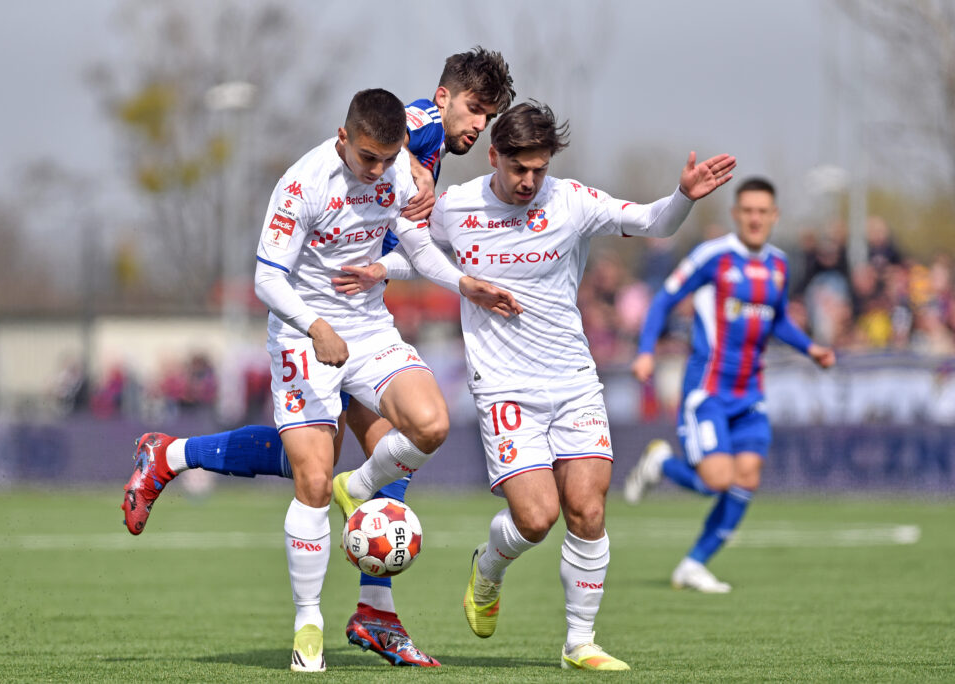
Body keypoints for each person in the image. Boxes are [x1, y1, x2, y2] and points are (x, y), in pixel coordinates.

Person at [120, 49, 515, 668]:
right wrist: (317, 324)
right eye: (475, 110)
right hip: (306, 331)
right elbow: (267, 279)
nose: (478, 126)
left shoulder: (408, 162)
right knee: (311, 470)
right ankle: (317, 619)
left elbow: (410, 245)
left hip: (369, 322)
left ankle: (372, 603)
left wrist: (445, 278)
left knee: (418, 433)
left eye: (488, 117)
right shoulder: (322, 176)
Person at [339, 101, 735, 670]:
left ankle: (580, 643)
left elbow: (652, 223)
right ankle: (489, 567)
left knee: (588, 510)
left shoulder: (571, 200)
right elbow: (421, 257)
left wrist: (683, 197)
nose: (529, 181)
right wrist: (382, 268)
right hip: (504, 389)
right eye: (519, 168)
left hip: (573, 381)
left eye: (539, 170)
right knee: (536, 518)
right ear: (494, 156)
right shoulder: (457, 206)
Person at [623, 177, 836, 593]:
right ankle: (661, 462)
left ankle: (693, 564)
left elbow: (777, 320)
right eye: (748, 211)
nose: (755, 218)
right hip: (708, 393)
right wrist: (646, 350)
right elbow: (665, 298)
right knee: (716, 481)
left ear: (774, 216)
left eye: (763, 211)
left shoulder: (778, 265)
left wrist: (812, 349)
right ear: (737, 215)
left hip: (751, 393)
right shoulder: (713, 257)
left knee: (747, 479)